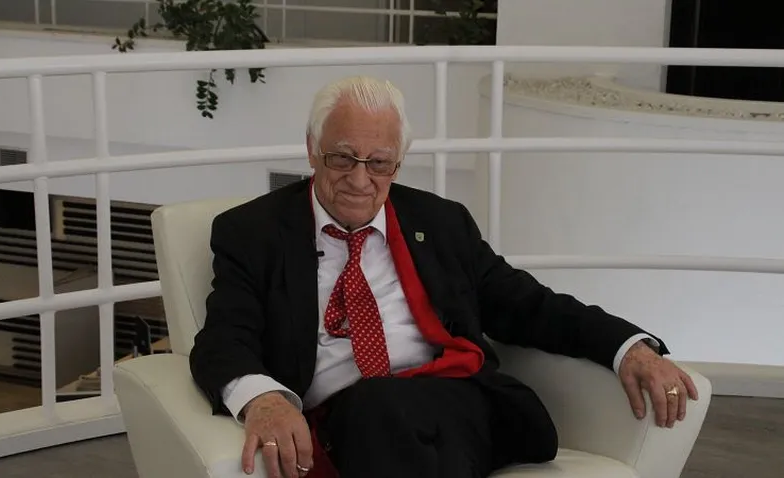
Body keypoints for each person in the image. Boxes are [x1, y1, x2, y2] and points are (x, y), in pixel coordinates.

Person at [189, 76, 699, 478]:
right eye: (342, 157)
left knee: (383, 411)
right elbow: (223, 340)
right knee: (375, 407)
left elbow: (528, 305)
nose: (360, 179)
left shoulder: (440, 222)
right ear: (311, 148)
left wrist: (628, 347)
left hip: (458, 403)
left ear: (398, 163)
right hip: (351, 417)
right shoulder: (253, 232)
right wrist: (265, 400)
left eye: (379, 163)